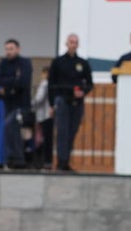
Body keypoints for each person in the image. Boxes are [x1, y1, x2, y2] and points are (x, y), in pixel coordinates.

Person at [48, 34, 95, 172]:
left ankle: (66, 161)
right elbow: (52, 84)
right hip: (62, 101)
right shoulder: (58, 62)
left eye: (75, 42)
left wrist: (83, 92)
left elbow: (90, 83)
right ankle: (61, 162)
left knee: (72, 132)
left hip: (77, 103)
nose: (73, 45)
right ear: (66, 43)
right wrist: (52, 104)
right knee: (62, 132)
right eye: (71, 42)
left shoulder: (82, 63)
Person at [0, 39, 33, 169]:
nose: (8, 52)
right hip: (8, 104)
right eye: (7, 49)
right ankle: (12, 158)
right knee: (9, 130)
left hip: (22, 104)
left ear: (18, 49)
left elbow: (23, 82)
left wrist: (8, 87)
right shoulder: (3, 63)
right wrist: (13, 81)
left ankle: (18, 158)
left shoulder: (25, 63)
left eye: (11, 49)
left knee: (12, 126)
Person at [31, 68, 52, 169]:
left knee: (41, 139)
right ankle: (47, 161)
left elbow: (39, 98)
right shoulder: (51, 84)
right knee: (47, 139)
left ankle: (42, 161)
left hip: (43, 115)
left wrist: (31, 104)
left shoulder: (45, 84)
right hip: (48, 115)